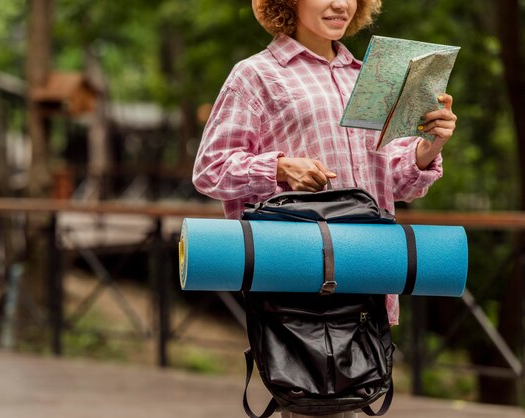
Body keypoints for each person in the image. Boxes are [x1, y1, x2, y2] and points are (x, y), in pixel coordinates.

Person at [192, 0, 457, 417]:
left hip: (368, 272)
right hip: (300, 277)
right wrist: (280, 169)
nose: (340, 4)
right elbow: (210, 170)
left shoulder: (374, 79)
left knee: (351, 405)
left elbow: (397, 183)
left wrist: (430, 146)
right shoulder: (257, 74)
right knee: (314, 408)